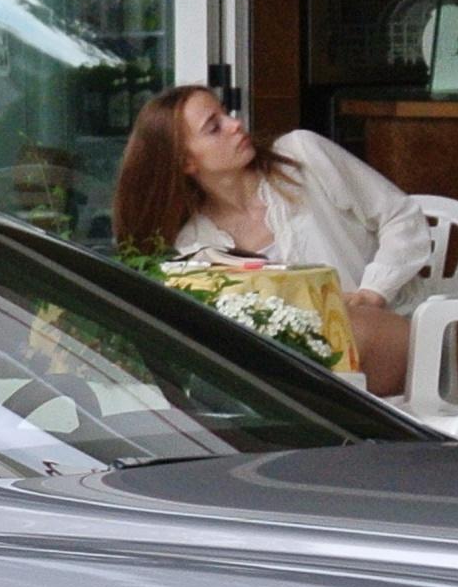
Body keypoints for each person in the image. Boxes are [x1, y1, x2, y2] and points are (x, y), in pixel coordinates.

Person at [107, 86, 431, 395]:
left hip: (388, 330)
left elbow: (402, 216)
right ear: (186, 162)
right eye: (214, 127)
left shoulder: (302, 155)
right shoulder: (194, 244)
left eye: (226, 113)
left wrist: (374, 291)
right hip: (303, 368)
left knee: (326, 347)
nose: (235, 124)